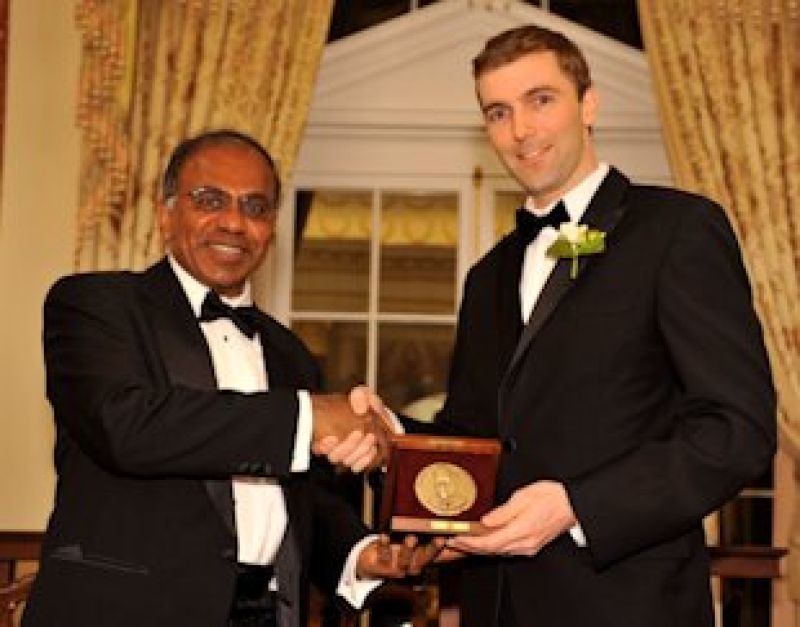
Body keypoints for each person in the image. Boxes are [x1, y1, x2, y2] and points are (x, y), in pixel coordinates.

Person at [402, 24, 776, 626]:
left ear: (589, 103)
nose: (520, 130)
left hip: (628, 605)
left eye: (540, 100)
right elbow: (473, 435)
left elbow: (736, 429)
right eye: (498, 112)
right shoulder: (486, 276)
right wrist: (384, 439)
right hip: (496, 606)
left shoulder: (677, 231)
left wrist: (577, 506)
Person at [23, 130, 439, 627]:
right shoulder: (96, 305)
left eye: (255, 207)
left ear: (272, 228)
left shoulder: (291, 354)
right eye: (210, 200)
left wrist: (359, 553)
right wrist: (307, 417)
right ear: (165, 213)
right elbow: (126, 426)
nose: (234, 223)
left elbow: (301, 499)